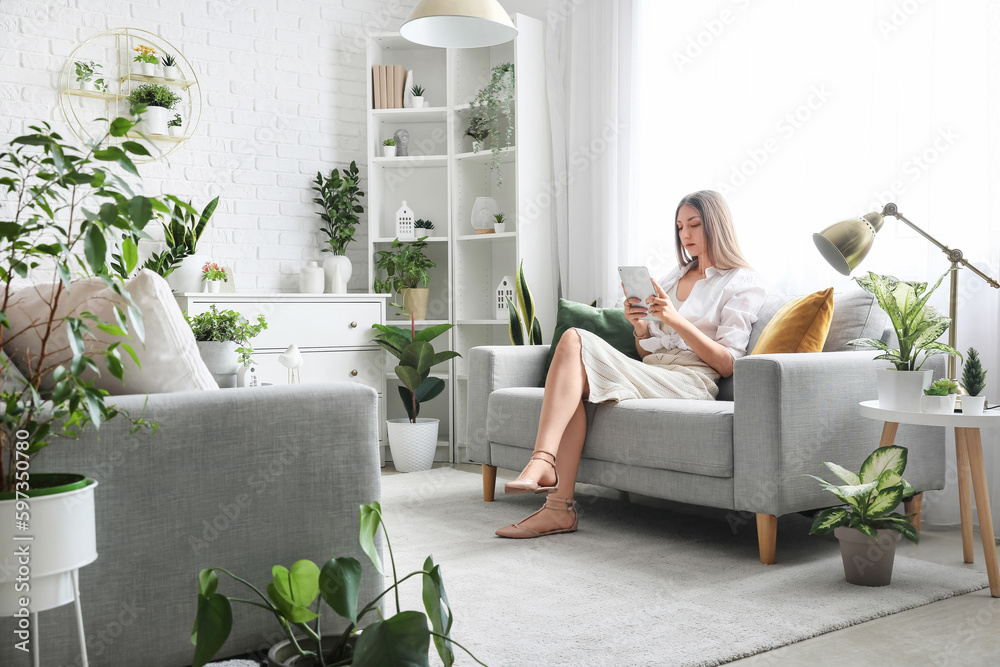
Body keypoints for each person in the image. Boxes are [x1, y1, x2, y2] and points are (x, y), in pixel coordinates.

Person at [495, 190, 767, 538]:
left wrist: (677, 319)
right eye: (680, 226)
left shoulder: (742, 281)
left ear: (717, 225)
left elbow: (728, 363)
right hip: (654, 371)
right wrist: (639, 326)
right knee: (574, 387)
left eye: (695, 225)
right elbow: (645, 351)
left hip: (691, 381)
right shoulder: (672, 278)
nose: (685, 234)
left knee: (574, 338)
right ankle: (558, 509)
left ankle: (542, 463)